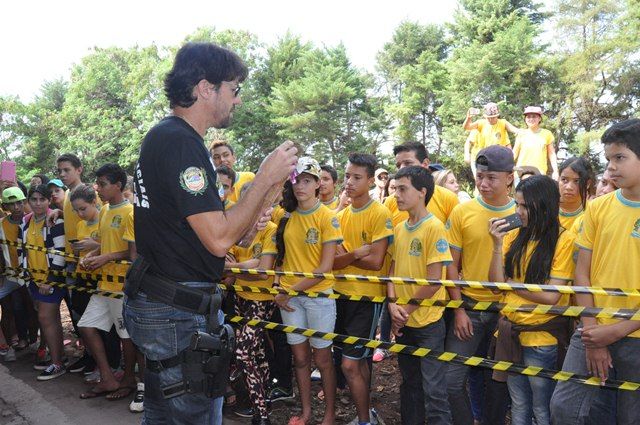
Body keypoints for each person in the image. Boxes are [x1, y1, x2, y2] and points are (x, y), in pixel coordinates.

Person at [123, 42, 297, 425]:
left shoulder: (175, 139)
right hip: (178, 312)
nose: (238, 99)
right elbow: (219, 240)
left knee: (165, 417)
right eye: (234, 89)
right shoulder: (180, 142)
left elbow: (230, 235)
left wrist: (268, 191)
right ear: (206, 88)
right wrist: (263, 176)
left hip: (169, 304)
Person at [550, 119, 640, 424]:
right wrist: (592, 332)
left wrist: (616, 330)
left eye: (620, 157)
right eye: (608, 159)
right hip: (591, 327)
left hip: (635, 334)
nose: (611, 167)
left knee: (630, 416)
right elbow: (582, 272)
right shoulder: (598, 208)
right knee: (564, 408)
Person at [489, 175, 575, 425]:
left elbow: (551, 296)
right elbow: (495, 285)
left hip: (542, 338)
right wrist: (496, 245)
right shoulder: (514, 236)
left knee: (542, 408)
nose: (518, 212)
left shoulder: (564, 240)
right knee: (519, 404)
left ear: (544, 205)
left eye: (525, 206)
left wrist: (512, 285)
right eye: (517, 204)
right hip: (511, 334)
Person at [445, 146, 516, 425]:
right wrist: (459, 309)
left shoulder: (521, 212)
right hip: (470, 308)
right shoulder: (462, 212)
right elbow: (451, 265)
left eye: (491, 178)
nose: (483, 183)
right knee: (452, 380)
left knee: (499, 383)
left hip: (508, 311)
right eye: (480, 176)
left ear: (509, 178)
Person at [273, 157, 341, 425]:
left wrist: (288, 291)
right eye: (297, 181)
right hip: (290, 299)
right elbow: (280, 258)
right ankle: (306, 412)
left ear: (317, 185)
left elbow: (324, 268)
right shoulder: (285, 216)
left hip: (318, 298)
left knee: (322, 359)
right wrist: (279, 287)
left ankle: (329, 414)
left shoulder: (328, 217)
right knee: (300, 358)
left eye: (307, 180)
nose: (300, 186)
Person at [387, 165, 453, 425]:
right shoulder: (399, 228)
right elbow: (391, 272)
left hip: (427, 322)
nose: (396, 195)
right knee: (410, 383)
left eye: (403, 189)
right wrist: (393, 305)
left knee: (434, 389)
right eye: (395, 189)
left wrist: (404, 310)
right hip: (403, 320)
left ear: (422, 192)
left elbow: (434, 282)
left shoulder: (434, 227)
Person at [332, 153, 392, 425]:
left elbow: (377, 261)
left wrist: (346, 256)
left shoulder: (380, 213)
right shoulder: (340, 216)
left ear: (370, 181)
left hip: (367, 298)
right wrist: (356, 254)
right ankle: (367, 415)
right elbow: (332, 262)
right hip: (338, 296)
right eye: (347, 176)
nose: (349, 182)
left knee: (350, 365)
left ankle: (364, 420)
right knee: (356, 362)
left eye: (357, 177)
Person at [78, 163, 138, 401]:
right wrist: (94, 255)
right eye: (98, 183)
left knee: (126, 337)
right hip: (104, 284)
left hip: (121, 286)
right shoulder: (103, 210)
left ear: (118, 185)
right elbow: (106, 243)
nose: (98, 188)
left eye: (102, 184)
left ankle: (129, 380)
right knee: (86, 326)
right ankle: (108, 378)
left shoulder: (131, 212)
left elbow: (133, 253)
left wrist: (106, 257)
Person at [225, 183, 278, 422]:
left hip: (261, 301)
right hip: (239, 298)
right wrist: (245, 266)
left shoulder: (272, 231)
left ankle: (261, 413)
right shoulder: (239, 231)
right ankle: (264, 400)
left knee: (243, 353)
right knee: (256, 352)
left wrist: (235, 268)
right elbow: (226, 264)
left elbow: (263, 271)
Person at [18, 184, 67, 380]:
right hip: (34, 280)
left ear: (49, 200)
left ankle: (57, 364)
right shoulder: (26, 221)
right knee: (51, 320)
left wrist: (50, 280)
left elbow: (61, 252)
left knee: (45, 318)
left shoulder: (55, 220)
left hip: (52, 280)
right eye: (34, 199)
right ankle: (59, 358)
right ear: (28, 201)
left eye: (42, 199)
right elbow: (24, 251)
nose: (38, 203)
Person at [384, 142, 459, 226]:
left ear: (425, 164)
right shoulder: (390, 202)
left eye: (407, 163)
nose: (401, 169)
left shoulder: (448, 199)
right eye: (398, 166)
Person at [512, 106, 559, 180]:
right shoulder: (521, 134)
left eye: (534, 116)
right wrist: (505, 167)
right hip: (521, 173)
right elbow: (514, 153)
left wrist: (555, 171)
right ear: (525, 119)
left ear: (539, 118)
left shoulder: (547, 134)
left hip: (539, 174)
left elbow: (551, 154)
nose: (531, 119)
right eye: (528, 117)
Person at [558, 157, 593, 231]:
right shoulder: (546, 208)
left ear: (587, 184)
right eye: (564, 179)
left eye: (577, 181)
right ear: (558, 179)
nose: (569, 187)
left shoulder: (592, 212)